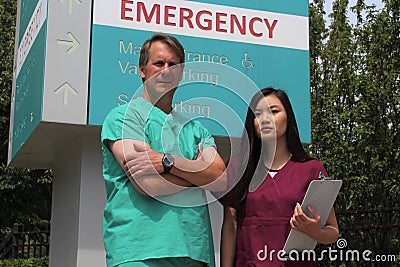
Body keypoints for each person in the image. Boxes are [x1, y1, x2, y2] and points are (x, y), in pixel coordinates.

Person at [101, 33, 227, 267]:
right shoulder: (123, 118)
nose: (166, 70)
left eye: (174, 65)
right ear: (142, 70)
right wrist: (198, 173)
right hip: (139, 254)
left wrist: (167, 162)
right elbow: (146, 184)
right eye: (158, 63)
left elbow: (220, 179)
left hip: (195, 252)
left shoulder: (196, 129)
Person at [220, 87, 339, 266]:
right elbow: (230, 226)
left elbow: (333, 231)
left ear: (288, 118)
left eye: (274, 111)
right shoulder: (239, 168)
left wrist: (316, 232)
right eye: (257, 114)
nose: (265, 119)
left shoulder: (311, 169)